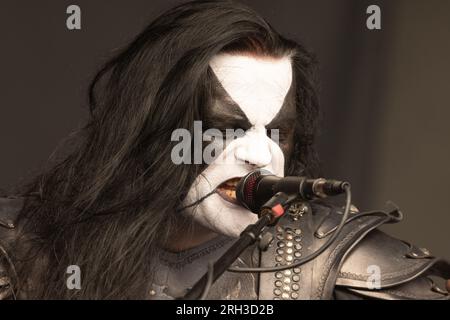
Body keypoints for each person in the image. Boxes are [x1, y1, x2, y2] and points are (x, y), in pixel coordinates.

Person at [0, 0, 448, 300]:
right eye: (226, 129)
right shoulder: (24, 250)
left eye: (277, 134)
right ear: (152, 131)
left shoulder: (343, 264)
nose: (259, 155)